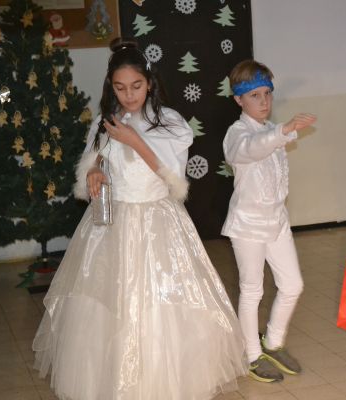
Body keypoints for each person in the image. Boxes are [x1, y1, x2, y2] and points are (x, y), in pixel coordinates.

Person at [32, 38, 248, 400]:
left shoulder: (171, 122)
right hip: (113, 224)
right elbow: (96, 159)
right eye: (120, 87)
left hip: (157, 222)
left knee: (159, 303)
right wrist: (94, 170)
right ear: (110, 87)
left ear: (149, 83)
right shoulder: (105, 122)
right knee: (111, 305)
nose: (129, 95)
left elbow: (172, 177)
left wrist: (134, 140)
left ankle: (161, 383)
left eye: (136, 86)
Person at [222, 59, 316, 383]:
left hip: (276, 221)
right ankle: (251, 355)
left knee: (293, 285)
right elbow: (251, 150)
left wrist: (280, 131)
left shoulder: (269, 130)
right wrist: (283, 130)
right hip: (247, 224)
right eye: (255, 96)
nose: (264, 102)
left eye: (267, 94)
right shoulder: (237, 134)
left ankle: (273, 342)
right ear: (238, 99)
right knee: (252, 291)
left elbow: (271, 153)